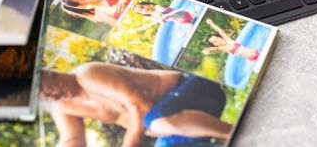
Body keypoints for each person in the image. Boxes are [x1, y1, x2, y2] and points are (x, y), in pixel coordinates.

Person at [41, 63, 232, 147]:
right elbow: (73, 141)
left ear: (49, 73)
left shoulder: (87, 75)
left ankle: (231, 132)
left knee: (157, 122)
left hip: (198, 92)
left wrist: (130, 142)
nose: (54, 97)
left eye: (50, 91)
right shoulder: (61, 106)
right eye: (47, 98)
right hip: (175, 127)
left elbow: (141, 106)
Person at [60, 0, 133, 26]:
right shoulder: (100, 14)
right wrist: (122, 14)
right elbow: (121, 26)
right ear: (82, 6)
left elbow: (133, 0)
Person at [133, 1, 198, 26]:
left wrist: (161, 15)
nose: (144, 9)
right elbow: (164, 23)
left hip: (185, 14)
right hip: (182, 22)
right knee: (192, 27)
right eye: (141, 11)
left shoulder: (158, 7)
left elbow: (169, 12)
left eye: (142, 7)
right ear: (142, 14)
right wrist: (160, 20)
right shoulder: (153, 17)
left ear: (146, 4)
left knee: (197, 14)